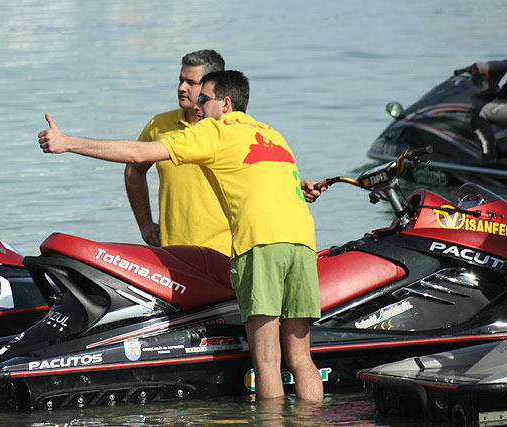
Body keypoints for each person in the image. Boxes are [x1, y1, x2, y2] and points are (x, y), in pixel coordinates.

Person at [37, 70, 324, 401]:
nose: (198, 107)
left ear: (226, 104)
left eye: (204, 99)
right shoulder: (273, 133)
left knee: (268, 362)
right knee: (302, 358)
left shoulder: (215, 130)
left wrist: (68, 143)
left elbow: (137, 154)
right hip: (303, 243)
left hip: (261, 243)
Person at [125, 49, 230, 255]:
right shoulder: (159, 124)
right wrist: (145, 223)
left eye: (191, 83)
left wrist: (296, 188)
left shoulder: (233, 129)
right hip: (173, 251)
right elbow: (134, 170)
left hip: (225, 252)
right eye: (181, 80)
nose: (182, 88)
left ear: (211, 87)